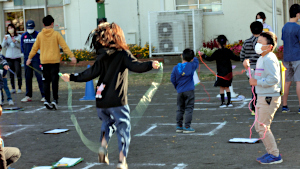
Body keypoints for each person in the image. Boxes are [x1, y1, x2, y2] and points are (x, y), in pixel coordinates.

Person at [60, 22, 160, 169]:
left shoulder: (102, 57)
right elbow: (136, 66)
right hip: (117, 100)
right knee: (123, 128)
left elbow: (89, 73)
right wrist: (150, 64)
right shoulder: (122, 54)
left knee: (108, 123)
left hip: (101, 101)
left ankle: (103, 146)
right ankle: (121, 160)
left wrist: (72, 77)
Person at [243, 31, 282, 164]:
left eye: (260, 42)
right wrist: (249, 69)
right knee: (261, 127)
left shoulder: (269, 58)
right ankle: (271, 152)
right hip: (263, 96)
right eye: (257, 42)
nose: (257, 45)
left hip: (269, 97)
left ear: (269, 46)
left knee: (262, 126)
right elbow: (257, 77)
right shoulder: (262, 58)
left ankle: (275, 155)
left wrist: (256, 82)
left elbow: (274, 79)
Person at [26, 15, 76, 110]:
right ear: (52, 23)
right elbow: (64, 46)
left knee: (45, 81)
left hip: (44, 62)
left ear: (44, 24)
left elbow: (34, 48)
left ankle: (47, 100)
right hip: (54, 61)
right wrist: (72, 56)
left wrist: (29, 58)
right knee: (54, 81)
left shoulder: (40, 35)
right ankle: (55, 100)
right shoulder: (56, 34)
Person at [200, 35, 240, 108]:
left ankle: (222, 103)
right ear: (226, 42)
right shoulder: (228, 51)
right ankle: (229, 102)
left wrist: (203, 55)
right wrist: (243, 56)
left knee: (221, 87)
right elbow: (236, 58)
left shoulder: (217, 52)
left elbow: (209, 59)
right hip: (228, 72)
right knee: (227, 87)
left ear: (217, 42)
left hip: (220, 72)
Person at [170, 48, 198, 134]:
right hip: (189, 90)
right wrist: (195, 56)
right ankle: (187, 126)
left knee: (180, 109)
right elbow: (196, 62)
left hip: (180, 91)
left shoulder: (175, 68)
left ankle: (179, 126)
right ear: (192, 59)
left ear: (181, 56)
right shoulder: (191, 65)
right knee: (189, 108)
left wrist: (177, 87)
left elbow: (172, 79)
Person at [240, 21, 263, 115]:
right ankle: (262, 107)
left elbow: (242, 56)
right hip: (262, 68)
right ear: (262, 30)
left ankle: (254, 108)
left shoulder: (247, 42)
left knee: (253, 90)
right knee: (262, 88)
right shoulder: (263, 43)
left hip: (250, 69)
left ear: (251, 30)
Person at [281, 4, 300, 113]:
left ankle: (284, 105)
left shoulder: (285, 27)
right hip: (297, 56)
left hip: (286, 56)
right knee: (298, 82)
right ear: (297, 13)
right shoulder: (298, 27)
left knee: (287, 82)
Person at [21, 20, 45, 103]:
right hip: (27, 60)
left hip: (37, 60)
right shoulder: (23, 36)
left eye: (31, 28)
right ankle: (28, 95)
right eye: (28, 28)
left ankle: (44, 95)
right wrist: (27, 57)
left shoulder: (38, 35)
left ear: (34, 27)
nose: (29, 29)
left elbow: (42, 46)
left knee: (39, 77)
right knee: (28, 77)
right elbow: (22, 48)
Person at [1, 24, 22, 94]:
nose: (10, 29)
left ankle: (19, 87)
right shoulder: (7, 37)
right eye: (9, 28)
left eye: (11, 28)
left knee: (18, 72)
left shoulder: (19, 36)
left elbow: (21, 46)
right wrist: (5, 40)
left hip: (17, 57)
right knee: (11, 73)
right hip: (9, 57)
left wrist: (15, 42)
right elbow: (3, 46)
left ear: (14, 28)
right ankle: (13, 88)